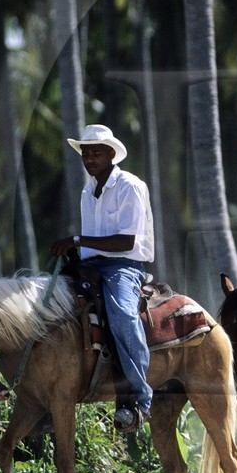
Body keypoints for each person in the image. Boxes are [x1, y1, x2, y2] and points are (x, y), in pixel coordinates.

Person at [49, 124, 155, 433]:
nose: (90, 158)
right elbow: (88, 242)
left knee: (121, 314)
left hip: (124, 265)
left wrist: (77, 241)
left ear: (111, 154)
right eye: (86, 153)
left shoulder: (129, 186)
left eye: (97, 152)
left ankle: (140, 397)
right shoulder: (87, 190)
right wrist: (74, 252)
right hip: (91, 264)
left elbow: (125, 242)